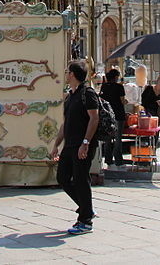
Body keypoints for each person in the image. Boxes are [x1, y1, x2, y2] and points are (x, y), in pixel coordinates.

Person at [50, 60, 99, 235]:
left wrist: (85, 143)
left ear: (72, 74)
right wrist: (56, 144)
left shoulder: (88, 93)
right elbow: (66, 123)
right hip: (70, 144)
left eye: (67, 72)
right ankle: (87, 208)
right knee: (62, 177)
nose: (65, 74)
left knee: (80, 179)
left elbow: (94, 118)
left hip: (82, 144)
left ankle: (85, 221)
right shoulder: (70, 96)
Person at [99, 68, 127, 166]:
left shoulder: (104, 87)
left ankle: (108, 159)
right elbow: (122, 100)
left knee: (108, 138)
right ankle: (118, 159)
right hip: (118, 114)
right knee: (118, 138)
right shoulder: (119, 87)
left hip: (107, 115)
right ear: (116, 77)